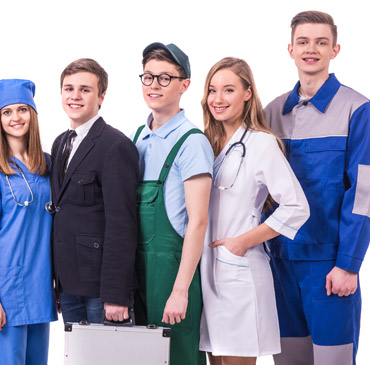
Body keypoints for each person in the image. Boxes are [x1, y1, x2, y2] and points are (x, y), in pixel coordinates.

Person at [264, 10, 370, 364]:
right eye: (304, 42)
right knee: (288, 360)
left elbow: (365, 193)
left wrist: (349, 264)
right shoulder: (272, 112)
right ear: (290, 49)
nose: (312, 49)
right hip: (278, 263)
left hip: (328, 267)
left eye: (321, 42)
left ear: (335, 50)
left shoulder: (358, 109)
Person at [198, 58, 310, 365]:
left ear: (248, 93)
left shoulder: (260, 143)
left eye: (228, 90)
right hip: (208, 274)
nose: (218, 99)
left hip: (240, 274)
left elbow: (297, 206)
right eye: (212, 90)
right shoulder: (206, 143)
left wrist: (244, 242)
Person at [130, 42, 213, 365]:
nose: (154, 85)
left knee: (178, 357)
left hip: (174, 274)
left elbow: (199, 222)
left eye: (165, 78)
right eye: (148, 77)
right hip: (138, 271)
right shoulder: (139, 136)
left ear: (185, 85)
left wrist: (180, 291)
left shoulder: (192, 142)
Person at [0, 79, 57, 365]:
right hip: (5, 294)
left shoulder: (48, 164)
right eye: (7, 112)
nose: (16, 118)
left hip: (40, 289)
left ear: (33, 114)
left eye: (22, 109)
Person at [50, 58, 139, 325]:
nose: (75, 96)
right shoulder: (60, 143)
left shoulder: (115, 146)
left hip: (101, 289)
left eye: (85, 90)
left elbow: (122, 225)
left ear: (101, 97)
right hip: (68, 282)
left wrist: (116, 294)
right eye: (69, 89)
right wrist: (56, 283)